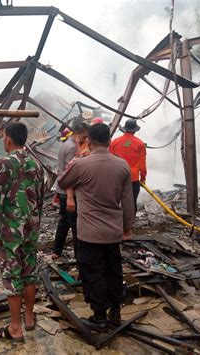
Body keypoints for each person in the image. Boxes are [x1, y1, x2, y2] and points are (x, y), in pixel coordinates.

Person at [59, 123, 134, 328]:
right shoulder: (122, 165)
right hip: (113, 231)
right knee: (113, 270)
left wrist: (76, 160)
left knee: (93, 272)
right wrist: (127, 226)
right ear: (109, 142)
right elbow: (128, 201)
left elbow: (63, 182)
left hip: (89, 233)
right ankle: (116, 311)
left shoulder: (81, 165)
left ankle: (99, 315)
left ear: (89, 141)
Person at [0, 122, 44, 342]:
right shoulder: (36, 164)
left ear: (8, 138)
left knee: (12, 278)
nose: (3, 140)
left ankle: (15, 328)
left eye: (3, 137)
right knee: (29, 274)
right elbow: (39, 198)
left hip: (10, 233)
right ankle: (29, 319)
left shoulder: (3, 164)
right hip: (30, 230)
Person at [51, 122, 88, 260]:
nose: (86, 138)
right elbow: (69, 174)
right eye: (84, 135)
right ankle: (80, 257)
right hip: (68, 192)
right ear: (78, 133)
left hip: (62, 190)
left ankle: (56, 250)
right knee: (75, 226)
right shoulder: (72, 147)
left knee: (64, 222)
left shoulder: (66, 143)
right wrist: (70, 197)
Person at [109, 118, 147, 213]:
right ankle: (129, 226)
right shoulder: (140, 144)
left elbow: (109, 160)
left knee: (116, 203)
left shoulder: (115, 142)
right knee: (131, 203)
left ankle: (116, 223)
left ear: (125, 129)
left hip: (116, 178)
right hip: (132, 180)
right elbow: (142, 165)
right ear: (135, 130)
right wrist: (142, 179)